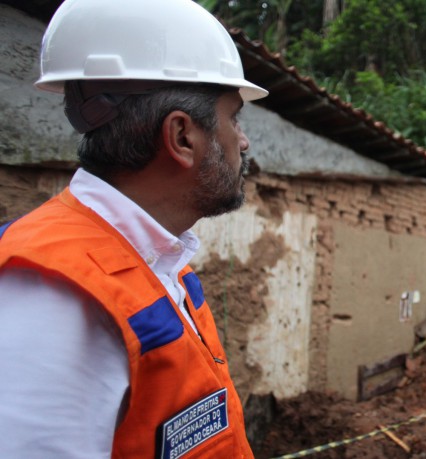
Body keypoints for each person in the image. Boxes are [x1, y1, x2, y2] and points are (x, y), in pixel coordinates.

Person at [0, 0, 268, 457]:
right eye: (234, 117)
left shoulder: (161, 263)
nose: (242, 140)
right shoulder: (54, 296)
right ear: (182, 136)